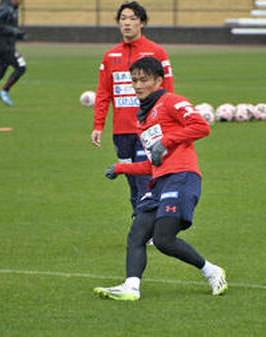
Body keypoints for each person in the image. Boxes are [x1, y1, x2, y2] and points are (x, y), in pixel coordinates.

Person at [93, 57, 228, 301]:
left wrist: (166, 141)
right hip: (160, 182)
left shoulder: (171, 101)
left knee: (164, 239)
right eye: (134, 80)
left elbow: (201, 126)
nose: (138, 85)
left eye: (143, 80)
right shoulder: (141, 119)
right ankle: (131, 287)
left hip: (182, 177)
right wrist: (121, 169)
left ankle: (212, 271)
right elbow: (152, 163)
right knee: (137, 232)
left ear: (158, 80)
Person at [91, 1, 174, 220]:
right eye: (123, 18)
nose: (127, 23)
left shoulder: (157, 52)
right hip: (122, 131)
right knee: (132, 183)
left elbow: (169, 92)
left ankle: (146, 227)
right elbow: (103, 93)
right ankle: (142, 221)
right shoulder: (110, 56)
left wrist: (167, 127)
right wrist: (98, 125)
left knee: (145, 179)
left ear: (142, 23)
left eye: (133, 18)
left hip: (148, 129)